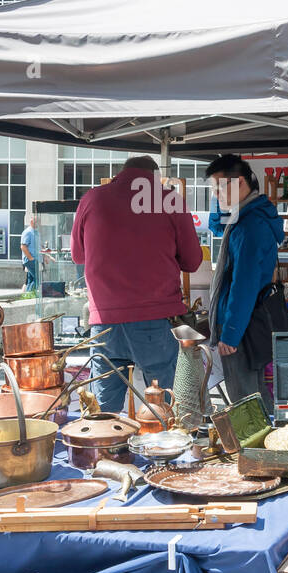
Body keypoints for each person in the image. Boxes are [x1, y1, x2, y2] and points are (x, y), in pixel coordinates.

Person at [70, 156, 203, 412]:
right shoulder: (168, 200)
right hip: (155, 317)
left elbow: (78, 256)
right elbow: (192, 260)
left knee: (104, 413)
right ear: (154, 177)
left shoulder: (92, 198)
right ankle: (168, 450)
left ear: (122, 173)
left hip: (104, 320)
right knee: (167, 410)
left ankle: (105, 451)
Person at [206, 154, 284, 413]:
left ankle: (257, 450)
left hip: (243, 323)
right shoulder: (245, 215)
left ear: (238, 183)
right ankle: (263, 446)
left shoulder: (249, 225)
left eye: (219, 187)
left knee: (245, 398)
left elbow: (244, 284)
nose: (216, 195)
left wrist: (230, 333)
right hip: (247, 320)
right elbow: (215, 225)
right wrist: (221, 197)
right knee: (252, 393)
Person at [20, 214, 40, 293]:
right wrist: (31, 258)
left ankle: (28, 295)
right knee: (37, 278)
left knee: (30, 279)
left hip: (35, 259)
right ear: (32, 222)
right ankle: (31, 294)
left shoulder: (36, 232)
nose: (39, 224)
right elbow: (23, 246)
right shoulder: (28, 232)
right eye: (37, 222)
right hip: (31, 259)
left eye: (39, 222)